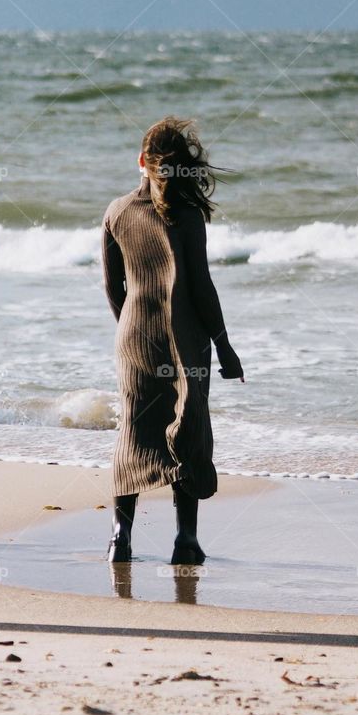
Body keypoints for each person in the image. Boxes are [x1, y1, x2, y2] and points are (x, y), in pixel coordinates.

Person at [100, 116, 244, 566]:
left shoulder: (117, 212)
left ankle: (120, 539)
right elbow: (201, 288)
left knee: (134, 430)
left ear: (142, 161)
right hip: (185, 342)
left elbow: (113, 288)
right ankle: (185, 540)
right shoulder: (188, 216)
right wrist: (225, 348)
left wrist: (130, 333)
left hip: (134, 337)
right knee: (189, 430)